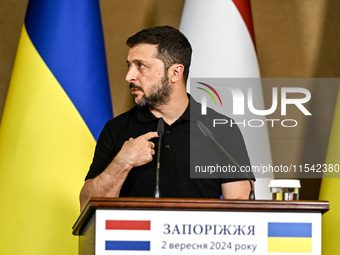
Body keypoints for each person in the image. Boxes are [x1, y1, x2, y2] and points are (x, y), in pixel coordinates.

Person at [79, 26, 254, 210]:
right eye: (129, 66)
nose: (129, 76)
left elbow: (241, 207)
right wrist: (123, 161)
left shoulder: (221, 129)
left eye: (141, 66)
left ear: (175, 73)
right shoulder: (116, 128)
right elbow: (86, 207)